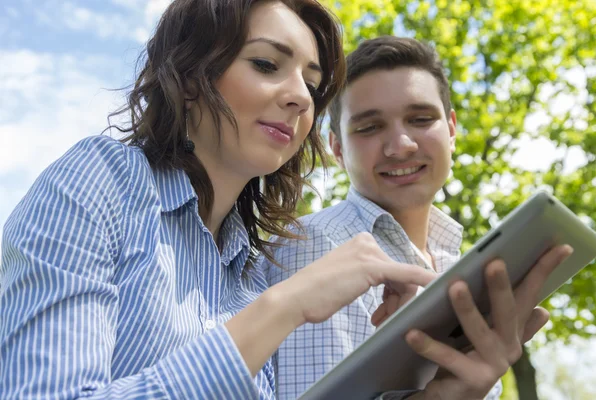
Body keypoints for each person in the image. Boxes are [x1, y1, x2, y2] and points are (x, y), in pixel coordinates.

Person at [0, 2, 449, 399]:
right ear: (192, 75)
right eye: (266, 64)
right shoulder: (101, 181)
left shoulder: (249, 268)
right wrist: (286, 305)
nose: (299, 98)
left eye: (311, 86)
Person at [263, 36, 573, 400]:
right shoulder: (315, 245)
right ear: (337, 149)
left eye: (421, 119)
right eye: (369, 127)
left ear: (452, 130)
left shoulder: (453, 263)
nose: (401, 146)